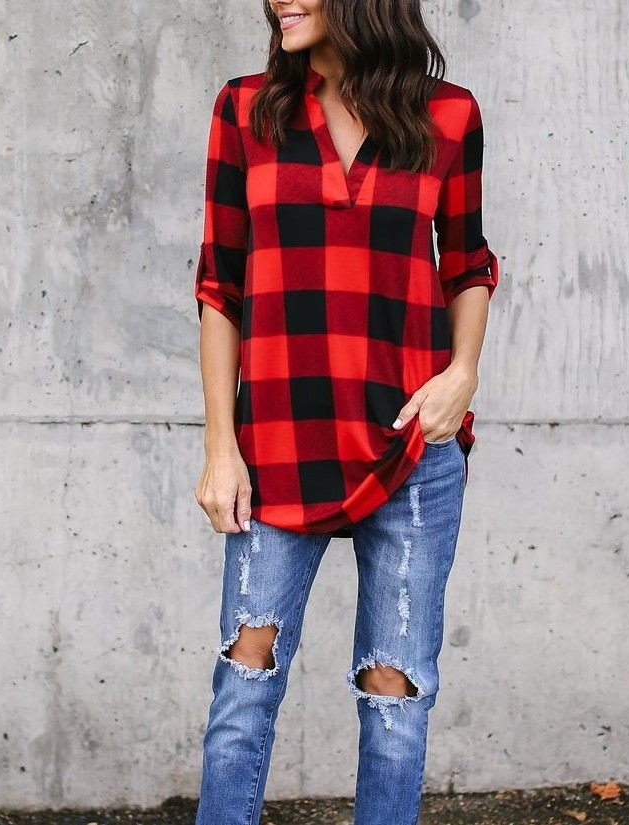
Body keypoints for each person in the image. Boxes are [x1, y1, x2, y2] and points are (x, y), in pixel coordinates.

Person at [192, 1, 499, 822]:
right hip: (277, 443)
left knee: (394, 694)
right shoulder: (245, 110)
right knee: (245, 681)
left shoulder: (447, 116)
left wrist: (463, 373)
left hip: (409, 446)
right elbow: (219, 284)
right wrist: (221, 446)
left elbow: (468, 264)